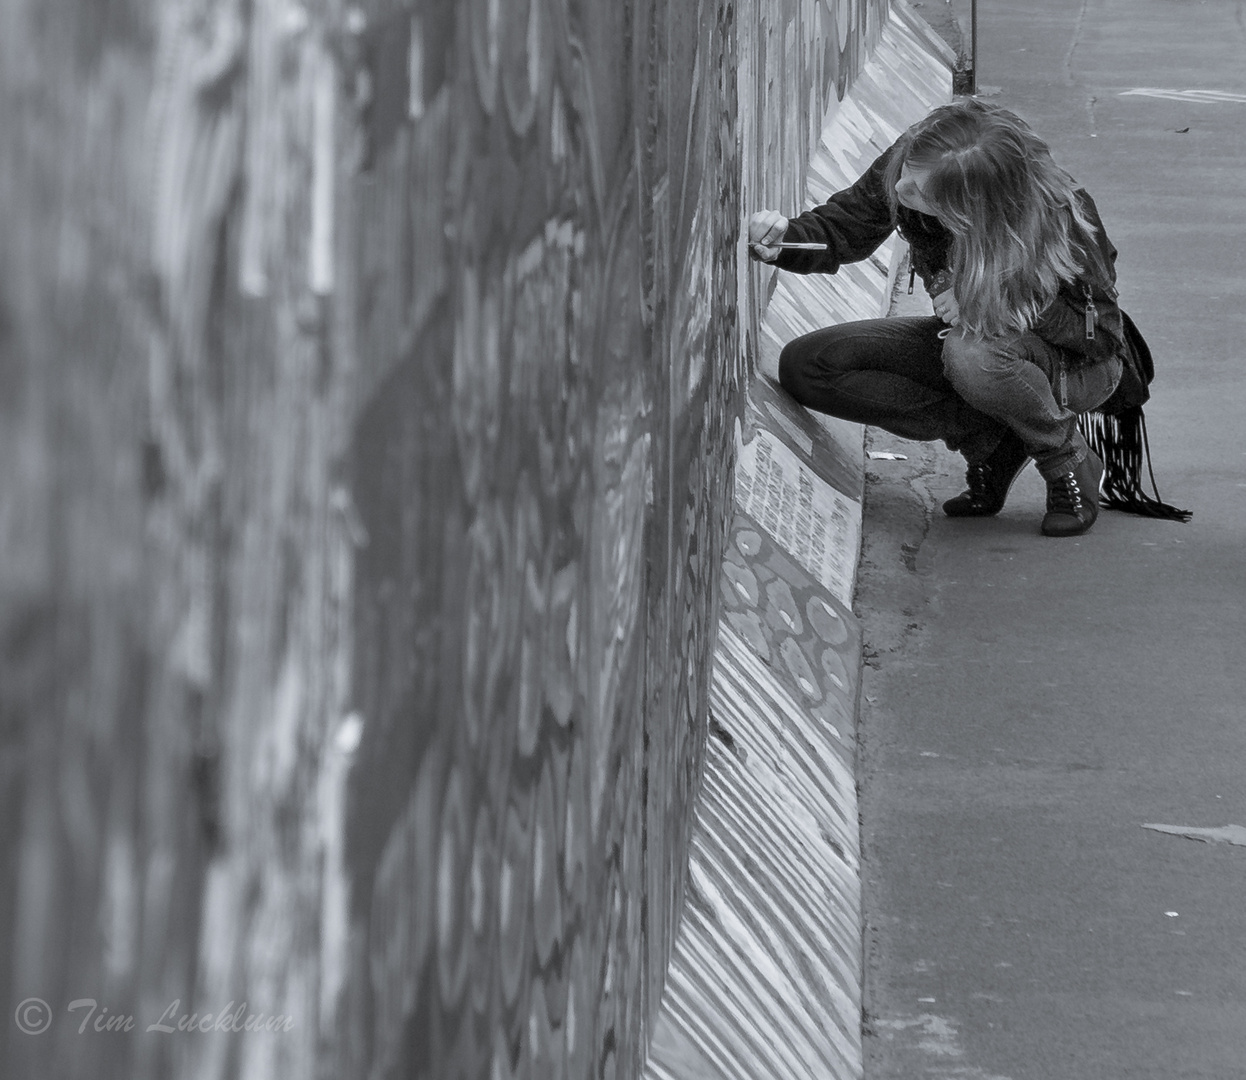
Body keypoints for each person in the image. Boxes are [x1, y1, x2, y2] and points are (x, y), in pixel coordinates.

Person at [748, 98, 1126, 537]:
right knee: (809, 366)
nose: (903, 188)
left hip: (1071, 366)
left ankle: (1065, 458)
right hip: (971, 342)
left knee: (973, 355)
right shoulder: (920, 160)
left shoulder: (1058, 211)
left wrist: (992, 303)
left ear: (975, 208)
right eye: (907, 170)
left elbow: (1097, 336)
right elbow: (842, 230)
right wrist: (785, 242)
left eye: (923, 193)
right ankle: (991, 442)